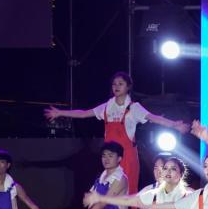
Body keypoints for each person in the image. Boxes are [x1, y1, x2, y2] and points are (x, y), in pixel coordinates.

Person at [44, 71, 188, 194]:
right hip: (111, 158)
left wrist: (174, 125)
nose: (116, 87)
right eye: (114, 84)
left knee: (128, 193)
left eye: (120, 84)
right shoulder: (107, 107)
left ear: (128, 87)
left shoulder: (134, 108)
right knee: (108, 191)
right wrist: (60, 112)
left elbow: (154, 118)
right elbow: (83, 113)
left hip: (128, 157)